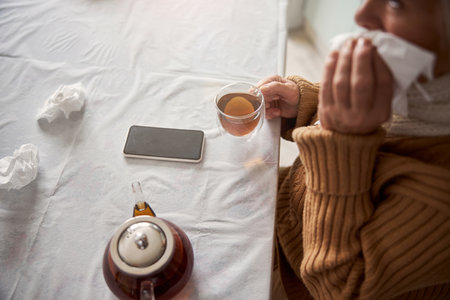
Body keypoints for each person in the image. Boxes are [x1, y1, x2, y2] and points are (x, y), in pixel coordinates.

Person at [258, 0, 450, 299]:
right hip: (287, 211)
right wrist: (310, 102)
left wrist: (341, 138)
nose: (361, 15)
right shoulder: (426, 95)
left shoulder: (439, 205)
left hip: (295, 278)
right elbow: (383, 109)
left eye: (396, 3)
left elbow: (340, 287)